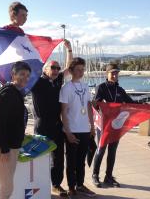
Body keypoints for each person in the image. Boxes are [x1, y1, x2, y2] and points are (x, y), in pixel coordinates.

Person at [31, 42, 73, 197]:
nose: (56, 70)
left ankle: (56, 185)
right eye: (53, 68)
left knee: (58, 158)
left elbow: (69, 67)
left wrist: (69, 49)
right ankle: (39, 185)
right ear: (45, 70)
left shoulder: (57, 80)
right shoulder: (36, 82)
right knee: (40, 157)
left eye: (57, 68)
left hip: (56, 125)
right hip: (42, 126)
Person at [0, 61, 31, 199]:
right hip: (5, 147)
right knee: (7, 188)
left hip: (12, 145)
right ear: (13, 75)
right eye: (22, 74)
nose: (25, 78)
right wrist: (4, 149)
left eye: (27, 75)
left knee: (7, 186)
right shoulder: (8, 93)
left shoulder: (15, 92)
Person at [92, 63, 134, 188]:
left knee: (112, 151)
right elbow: (96, 105)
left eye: (117, 73)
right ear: (107, 74)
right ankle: (95, 175)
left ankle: (108, 177)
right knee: (101, 150)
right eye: (113, 73)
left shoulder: (120, 90)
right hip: (104, 125)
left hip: (116, 125)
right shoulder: (101, 88)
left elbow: (131, 103)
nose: (115, 75)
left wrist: (147, 107)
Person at [59, 57, 96, 197]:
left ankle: (80, 184)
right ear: (71, 71)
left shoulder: (85, 86)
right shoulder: (66, 88)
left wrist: (92, 126)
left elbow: (88, 106)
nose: (81, 72)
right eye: (78, 69)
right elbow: (63, 111)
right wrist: (67, 132)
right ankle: (71, 186)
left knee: (81, 161)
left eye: (82, 69)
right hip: (72, 130)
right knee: (71, 160)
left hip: (84, 130)